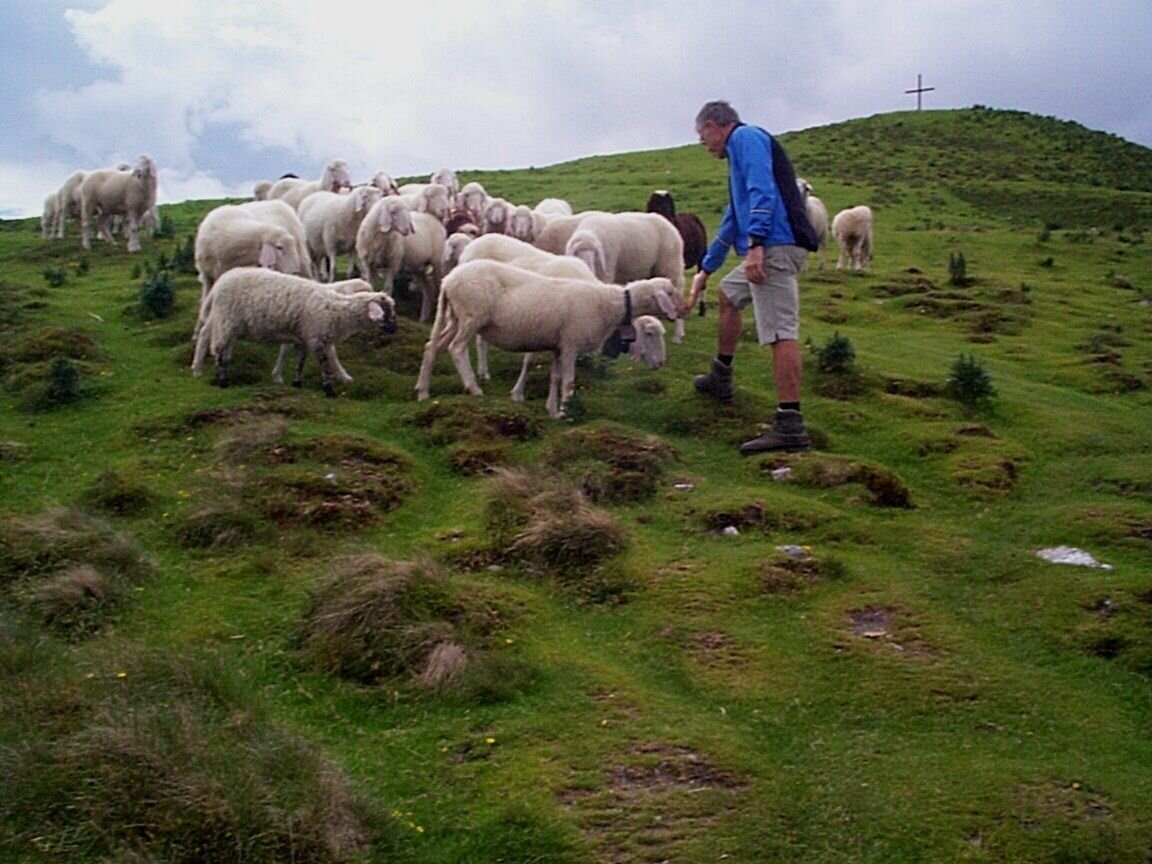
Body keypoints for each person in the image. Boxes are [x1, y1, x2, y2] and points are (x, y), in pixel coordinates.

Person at [684, 100, 820, 454]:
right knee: (729, 294)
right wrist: (705, 269)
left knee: (780, 332)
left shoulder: (746, 138)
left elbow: (763, 190)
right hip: (768, 245)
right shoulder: (737, 154)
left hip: (774, 246)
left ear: (714, 125)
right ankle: (721, 377)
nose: (704, 144)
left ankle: (790, 425)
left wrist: (757, 243)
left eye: (702, 136)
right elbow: (733, 218)